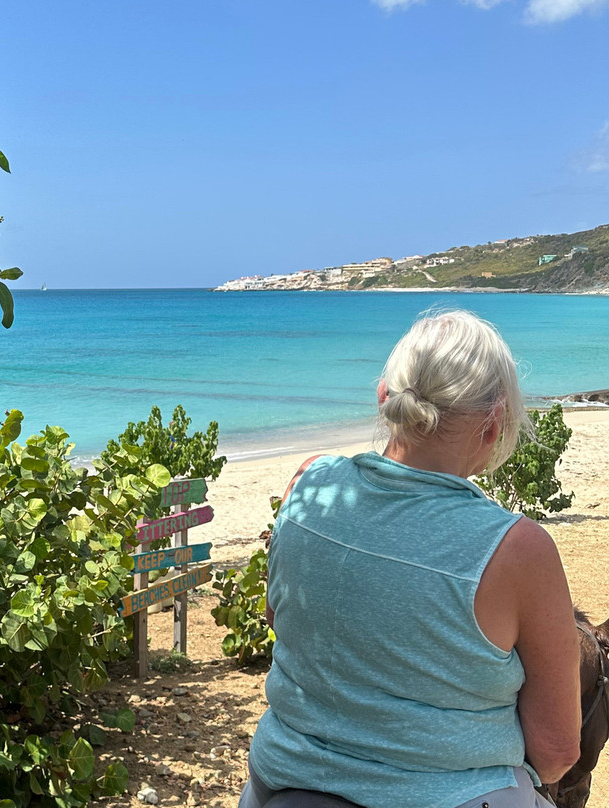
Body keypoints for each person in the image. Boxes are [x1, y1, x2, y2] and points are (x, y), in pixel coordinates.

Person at [242, 310, 580, 808]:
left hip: (283, 777)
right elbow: (555, 752)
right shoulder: (517, 549)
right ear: (494, 425)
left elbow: (281, 618)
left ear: (385, 397)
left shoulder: (309, 485)